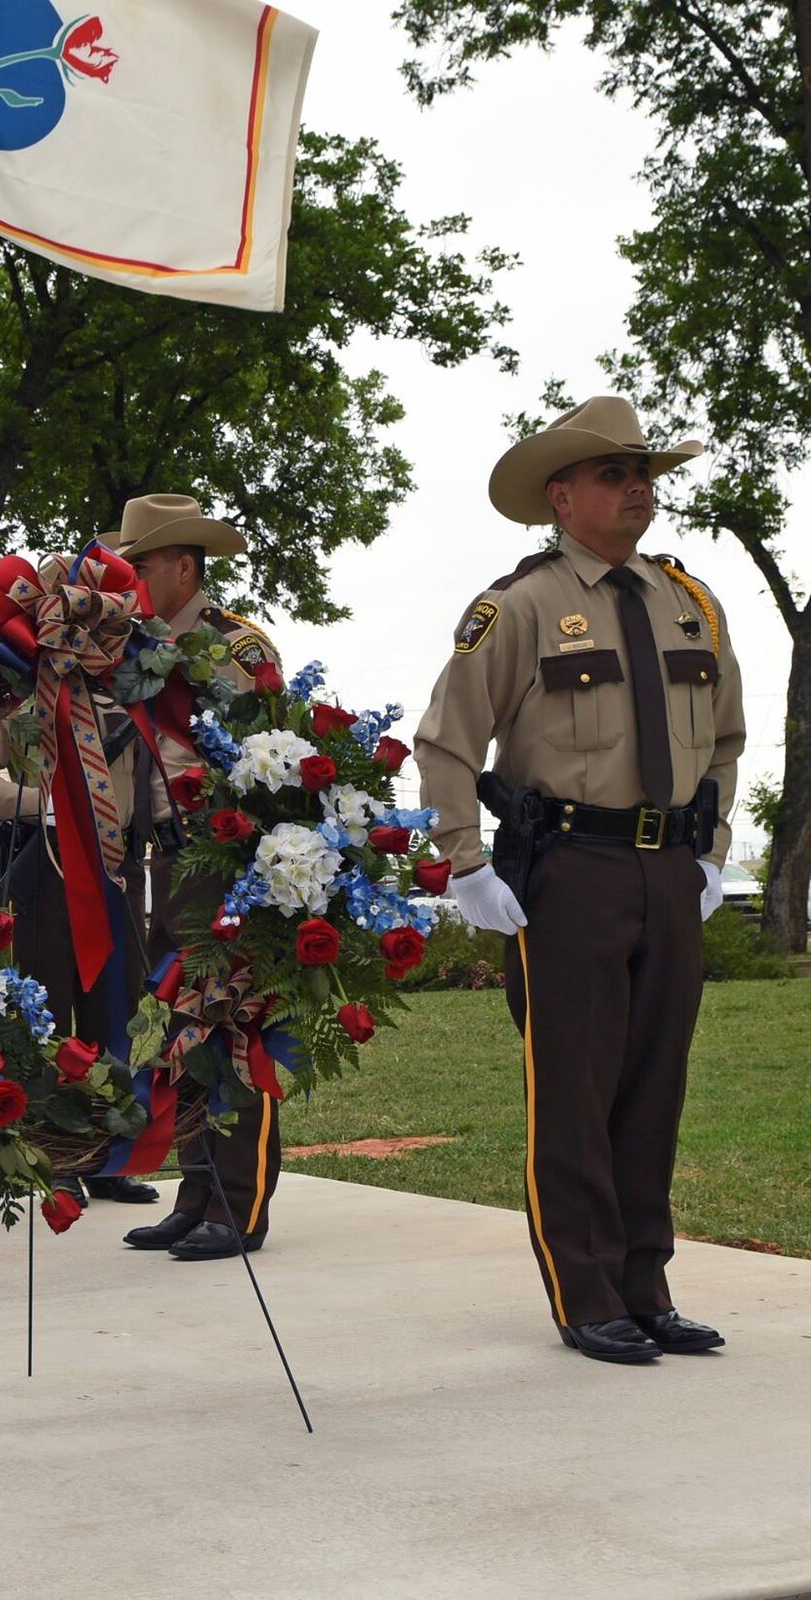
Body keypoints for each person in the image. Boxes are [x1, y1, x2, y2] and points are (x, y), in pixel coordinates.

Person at [414, 396, 744, 1364]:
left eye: (644, 471)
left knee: (652, 1087)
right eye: (613, 473)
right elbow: (445, 739)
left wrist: (712, 846)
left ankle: (645, 1286)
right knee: (574, 1090)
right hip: (567, 872)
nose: (637, 488)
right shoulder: (516, 606)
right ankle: (585, 1290)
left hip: (666, 869)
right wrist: (462, 861)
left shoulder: (688, 599)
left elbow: (723, 736)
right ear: (560, 496)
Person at [110, 495, 285, 1262]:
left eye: (140, 566)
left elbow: (273, 758)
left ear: (184, 567)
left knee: (236, 1027)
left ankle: (239, 1205)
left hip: (227, 865)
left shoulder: (234, 648)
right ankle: (195, 1192)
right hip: (165, 860)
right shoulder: (133, 649)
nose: (130, 580)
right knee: (181, 1034)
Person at [0, 621, 159, 1212]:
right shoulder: (24, 705)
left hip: (118, 871)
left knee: (115, 1014)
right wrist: (39, 804)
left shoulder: (133, 698)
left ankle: (111, 1157)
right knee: (46, 1023)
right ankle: (56, 1159)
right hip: (47, 872)